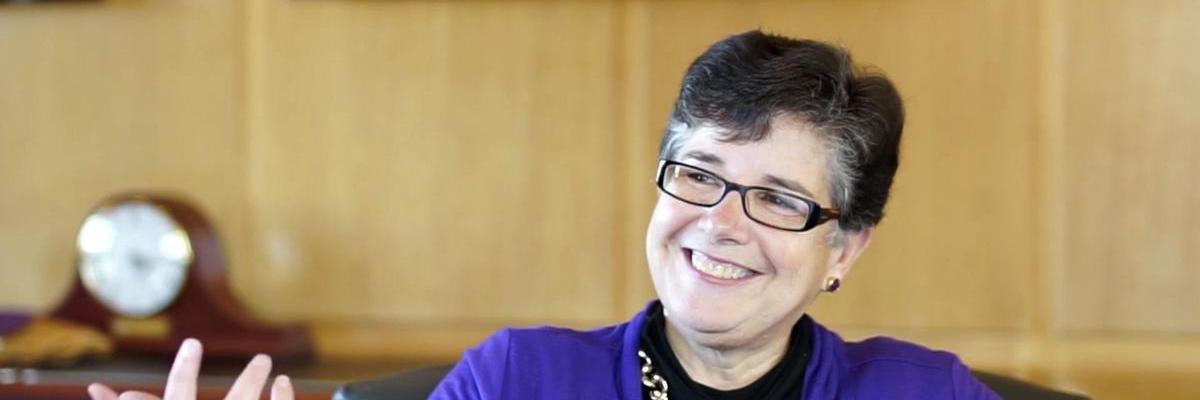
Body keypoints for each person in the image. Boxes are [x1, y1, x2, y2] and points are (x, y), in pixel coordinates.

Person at [88, 30, 1000, 400]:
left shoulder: (925, 394)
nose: (722, 223)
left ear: (844, 246)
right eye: (700, 175)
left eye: (778, 198)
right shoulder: (520, 378)